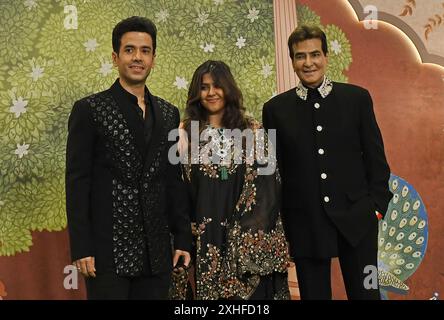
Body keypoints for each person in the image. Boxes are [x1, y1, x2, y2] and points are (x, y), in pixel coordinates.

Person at [262, 25, 393, 300]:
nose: (308, 63)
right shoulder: (275, 110)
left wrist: (376, 208)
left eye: (315, 54)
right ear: (292, 60)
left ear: (326, 56)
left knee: (366, 295)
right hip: (305, 221)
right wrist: (283, 222)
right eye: (300, 56)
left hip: (358, 218)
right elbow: (275, 172)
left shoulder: (356, 99)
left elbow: (376, 160)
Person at [65, 16, 191, 300]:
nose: (138, 57)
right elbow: (77, 181)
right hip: (108, 254)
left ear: (154, 58)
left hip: (157, 253)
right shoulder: (90, 110)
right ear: (115, 57)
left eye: (145, 51)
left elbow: (173, 180)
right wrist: (82, 247)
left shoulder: (168, 113)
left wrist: (182, 237)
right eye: (130, 50)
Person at [173, 60, 290, 300]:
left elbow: (269, 189)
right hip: (206, 242)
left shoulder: (253, 131)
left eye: (217, 86)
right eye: (204, 87)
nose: (211, 93)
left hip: (246, 243)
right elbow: (178, 191)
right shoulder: (187, 134)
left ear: (229, 89)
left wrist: (242, 241)